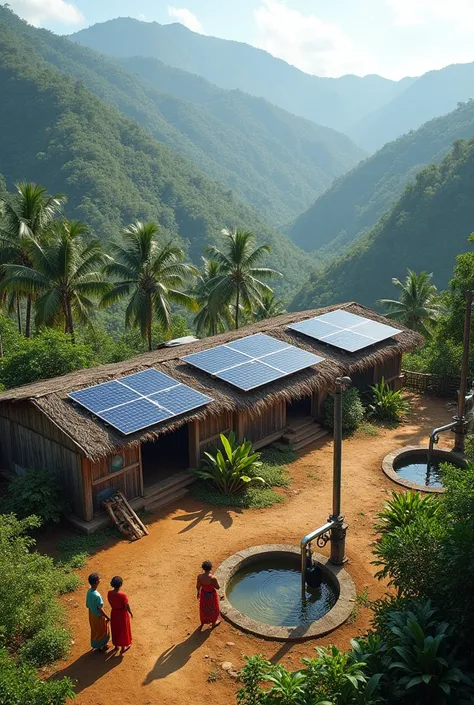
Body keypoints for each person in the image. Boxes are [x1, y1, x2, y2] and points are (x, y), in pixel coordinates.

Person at [107, 576, 133, 654]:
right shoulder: (122, 595)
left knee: (115, 629)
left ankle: (116, 646)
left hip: (114, 613)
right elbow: (126, 605)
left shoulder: (109, 593)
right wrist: (130, 612)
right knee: (123, 630)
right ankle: (123, 647)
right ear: (120, 584)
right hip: (122, 614)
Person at [86, 573, 110, 652]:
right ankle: (103, 645)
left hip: (91, 614)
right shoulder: (97, 596)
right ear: (96, 582)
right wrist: (107, 617)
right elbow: (100, 609)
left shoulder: (89, 592)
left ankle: (96, 645)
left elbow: (87, 605)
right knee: (103, 630)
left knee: (95, 629)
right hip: (98, 616)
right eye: (99, 579)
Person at [197, 560, 220, 629]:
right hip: (211, 595)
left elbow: (198, 586)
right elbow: (217, 587)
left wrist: (198, 592)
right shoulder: (213, 578)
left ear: (203, 568)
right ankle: (213, 623)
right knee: (213, 608)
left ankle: (203, 622)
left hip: (204, 594)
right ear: (211, 568)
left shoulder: (200, 577)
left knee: (203, 608)